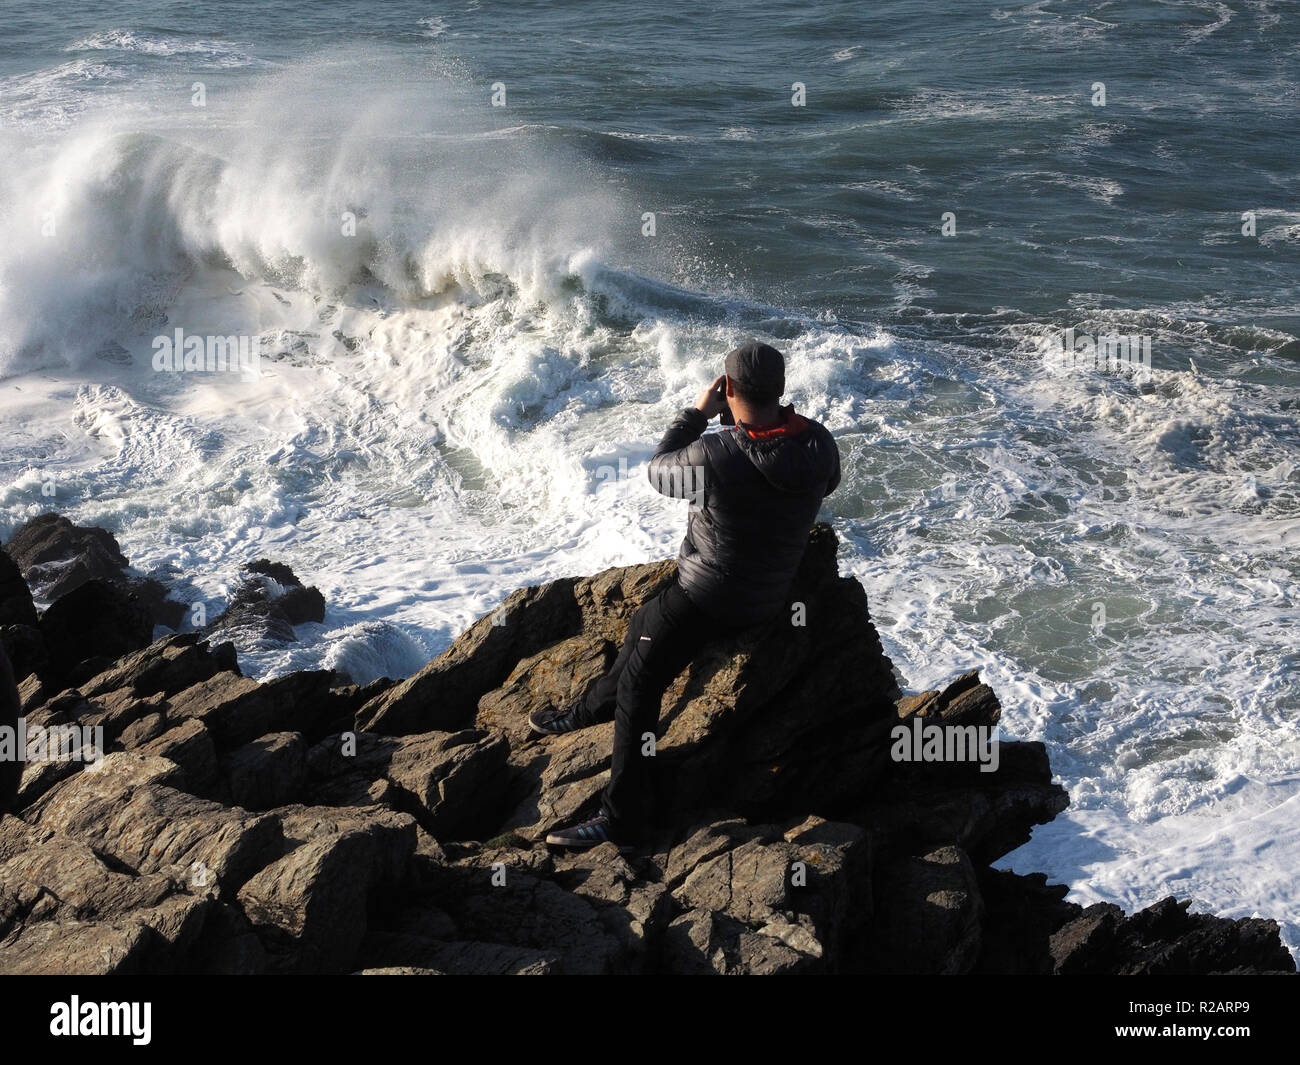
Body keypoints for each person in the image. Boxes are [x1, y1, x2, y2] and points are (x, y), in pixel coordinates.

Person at [534, 341, 841, 852]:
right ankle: (588, 710)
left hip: (707, 596)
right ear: (781, 390)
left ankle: (622, 819)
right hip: (767, 596)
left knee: (641, 685)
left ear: (729, 390)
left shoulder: (716, 453)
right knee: (643, 624)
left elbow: (659, 471)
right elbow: (825, 485)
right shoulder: (818, 444)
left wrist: (699, 414)